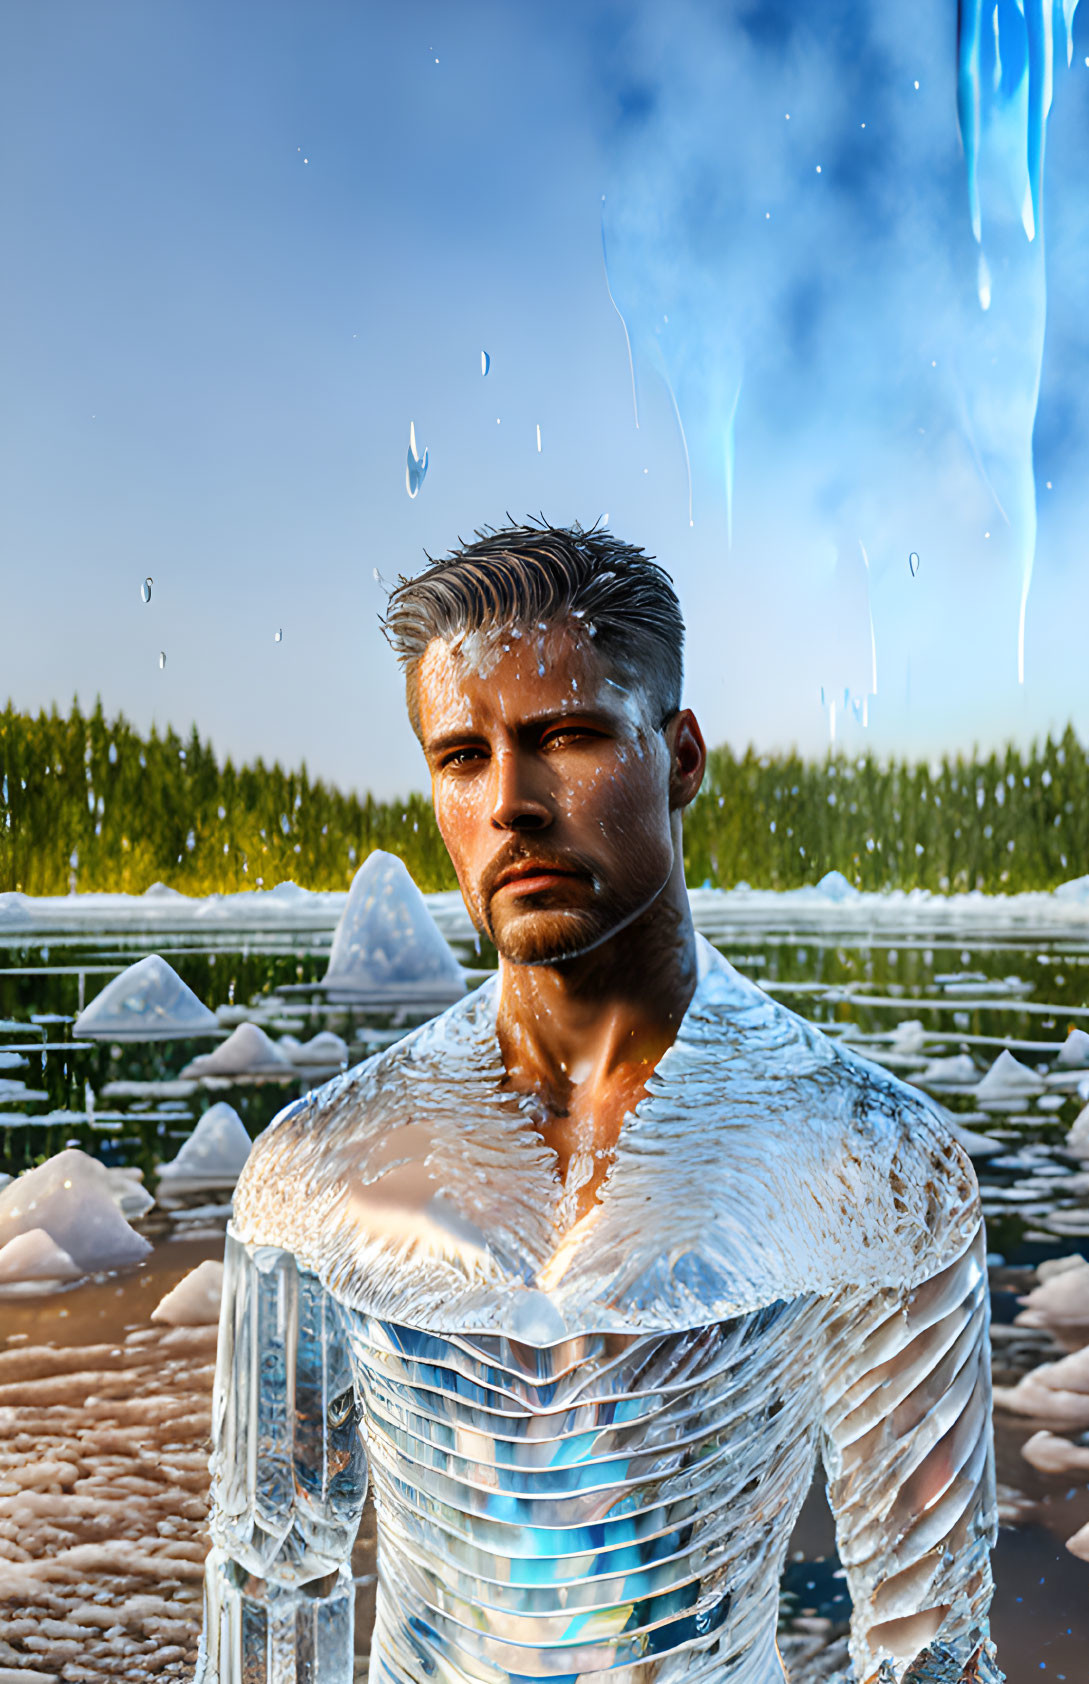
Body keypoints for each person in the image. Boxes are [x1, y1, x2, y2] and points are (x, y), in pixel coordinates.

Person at [196, 522, 1000, 1684]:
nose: (511, 802)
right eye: (460, 755)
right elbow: (269, 1580)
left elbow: (929, 1636)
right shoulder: (318, 1167)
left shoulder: (870, 1159)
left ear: (679, 755)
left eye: (563, 736)